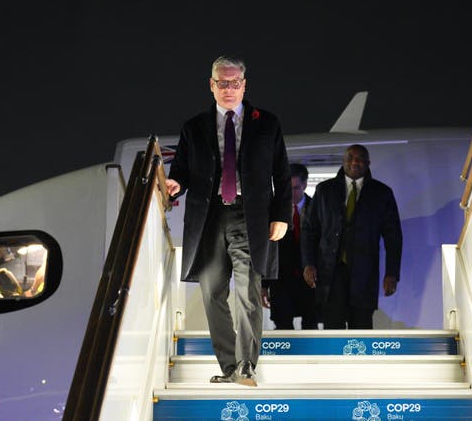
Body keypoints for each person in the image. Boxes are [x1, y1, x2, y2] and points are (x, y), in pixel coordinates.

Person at [164, 56, 291, 387]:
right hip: (208, 220)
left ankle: (247, 365)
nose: (230, 89)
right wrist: (175, 184)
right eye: (223, 83)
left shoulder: (267, 123)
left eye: (236, 83)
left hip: (250, 218)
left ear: (244, 85)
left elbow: (282, 171)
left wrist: (281, 216)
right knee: (212, 294)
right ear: (212, 85)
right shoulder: (193, 127)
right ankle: (230, 366)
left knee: (248, 293)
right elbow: (181, 169)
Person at [302, 144, 402, 329]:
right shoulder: (325, 190)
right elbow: (309, 230)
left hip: (365, 271)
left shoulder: (381, 193)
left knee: (362, 329)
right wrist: (308, 263)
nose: (355, 161)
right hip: (330, 271)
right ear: (343, 161)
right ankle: (334, 360)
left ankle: (361, 360)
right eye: (351, 157)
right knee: (333, 329)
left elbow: (393, 236)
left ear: (368, 163)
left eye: (360, 158)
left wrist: (392, 273)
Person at [261, 163, 317, 329]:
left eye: (296, 188)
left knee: (311, 327)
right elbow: (266, 250)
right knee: (283, 329)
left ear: (305, 185)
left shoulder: (317, 208)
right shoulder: (272, 211)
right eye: (287, 188)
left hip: (310, 282)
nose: (291, 193)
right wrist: (263, 285)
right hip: (281, 280)